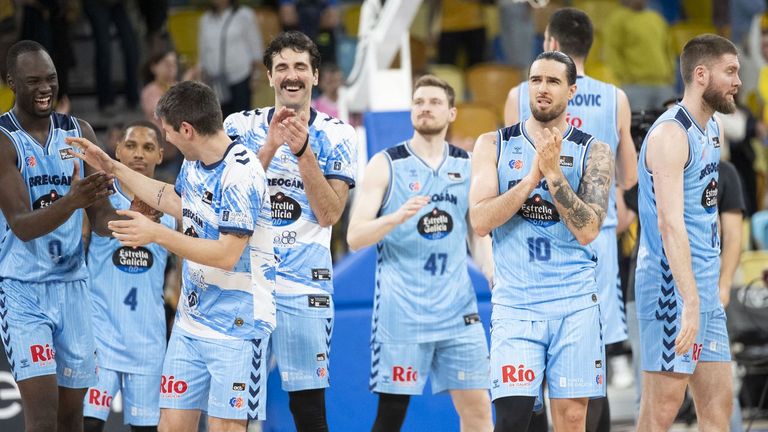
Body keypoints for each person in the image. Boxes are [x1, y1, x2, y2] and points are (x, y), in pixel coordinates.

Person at [67, 80, 276, 432]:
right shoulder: (195, 162)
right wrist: (112, 166)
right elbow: (174, 201)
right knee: (170, 426)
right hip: (191, 322)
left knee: (226, 428)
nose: (167, 141)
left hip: (238, 327)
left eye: (166, 134)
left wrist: (156, 233)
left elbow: (226, 254)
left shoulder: (242, 173)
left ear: (187, 129)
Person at [504, 8, 637, 430]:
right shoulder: (616, 96)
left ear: (551, 45)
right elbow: (631, 176)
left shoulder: (518, 95)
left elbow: (512, 166)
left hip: (532, 235)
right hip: (595, 241)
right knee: (586, 364)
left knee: (533, 365)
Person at [470, 50, 613, 432]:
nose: (543, 89)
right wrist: (530, 180)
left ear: (571, 90)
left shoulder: (594, 151)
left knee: (570, 419)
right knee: (513, 420)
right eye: (536, 80)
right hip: (516, 304)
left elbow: (588, 230)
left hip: (575, 304)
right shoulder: (493, 144)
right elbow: (480, 220)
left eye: (552, 81)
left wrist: (554, 176)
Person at [224, 30, 358, 431]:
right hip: (245, 284)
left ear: (315, 75)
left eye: (300, 66)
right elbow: (226, 204)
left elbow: (330, 213)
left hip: (305, 287)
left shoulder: (338, 133)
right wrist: (268, 147)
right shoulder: (238, 126)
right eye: (281, 67)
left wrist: (302, 152)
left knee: (308, 410)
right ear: (269, 77)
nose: (291, 75)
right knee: (235, 409)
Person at [346, 75, 493, 432]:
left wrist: (492, 276)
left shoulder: (468, 164)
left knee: (478, 411)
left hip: (458, 310)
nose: (425, 108)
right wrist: (394, 218)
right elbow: (354, 237)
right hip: (403, 312)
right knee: (391, 416)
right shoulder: (386, 163)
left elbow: (480, 233)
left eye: (434, 102)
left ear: (452, 112)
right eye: (419, 102)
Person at [0, 40, 116, 432]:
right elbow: (21, 223)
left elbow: (100, 217)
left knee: (71, 416)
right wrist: (72, 202)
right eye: (33, 81)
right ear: (11, 82)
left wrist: (137, 220)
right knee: (44, 414)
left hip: (73, 286)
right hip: (21, 289)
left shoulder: (78, 131)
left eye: (50, 79)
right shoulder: (3, 138)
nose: (45, 88)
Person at [634, 34, 741, 431]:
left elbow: (705, 213)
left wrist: (710, 289)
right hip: (672, 289)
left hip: (704, 287)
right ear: (701, 74)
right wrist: (690, 301)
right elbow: (669, 223)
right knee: (662, 410)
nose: (737, 81)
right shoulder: (670, 135)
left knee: (718, 407)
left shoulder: (713, 129)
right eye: (730, 71)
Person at [82, 121, 176, 432]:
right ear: (117, 150)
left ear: (161, 155)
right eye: (131, 146)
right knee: (86, 425)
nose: (139, 154)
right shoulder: (98, 201)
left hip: (148, 344)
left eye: (148, 147)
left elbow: (184, 270)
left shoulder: (173, 210)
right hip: (100, 338)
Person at [196, 0, 263, 117]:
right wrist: (202, 74)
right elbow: (203, 49)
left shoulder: (244, 15)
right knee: (220, 118)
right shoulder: (205, 19)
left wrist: (256, 74)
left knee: (242, 118)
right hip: (215, 80)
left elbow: (255, 45)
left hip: (241, 76)